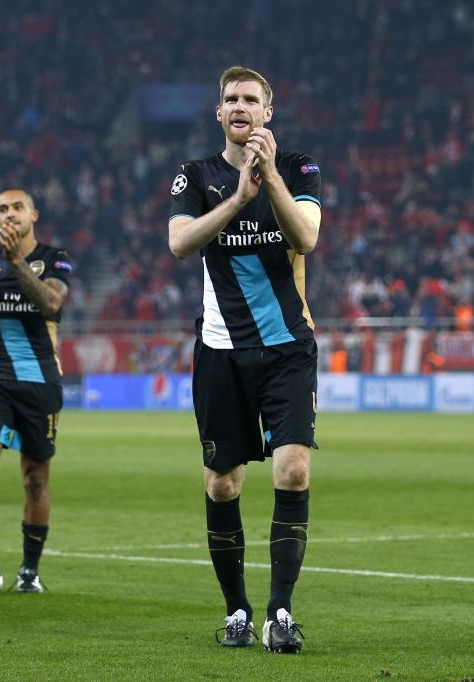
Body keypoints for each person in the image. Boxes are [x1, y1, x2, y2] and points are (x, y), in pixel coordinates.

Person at [168, 66, 322, 653]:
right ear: (218, 112)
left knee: (294, 470)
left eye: (250, 99)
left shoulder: (301, 167)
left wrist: (269, 177)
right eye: (230, 98)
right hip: (220, 352)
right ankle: (237, 610)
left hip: (286, 347)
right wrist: (237, 198)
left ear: (267, 113)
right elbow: (181, 244)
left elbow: (306, 238)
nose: (239, 106)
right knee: (222, 485)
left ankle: (280, 612)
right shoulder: (195, 176)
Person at [0, 189, 72, 595]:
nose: (9, 215)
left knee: (35, 480)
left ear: (33, 214)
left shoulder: (55, 258)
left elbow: (50, 303)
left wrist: (17, 262)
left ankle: (30, 570)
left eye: (16, 208)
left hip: (41, 382)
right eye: (2, 209)